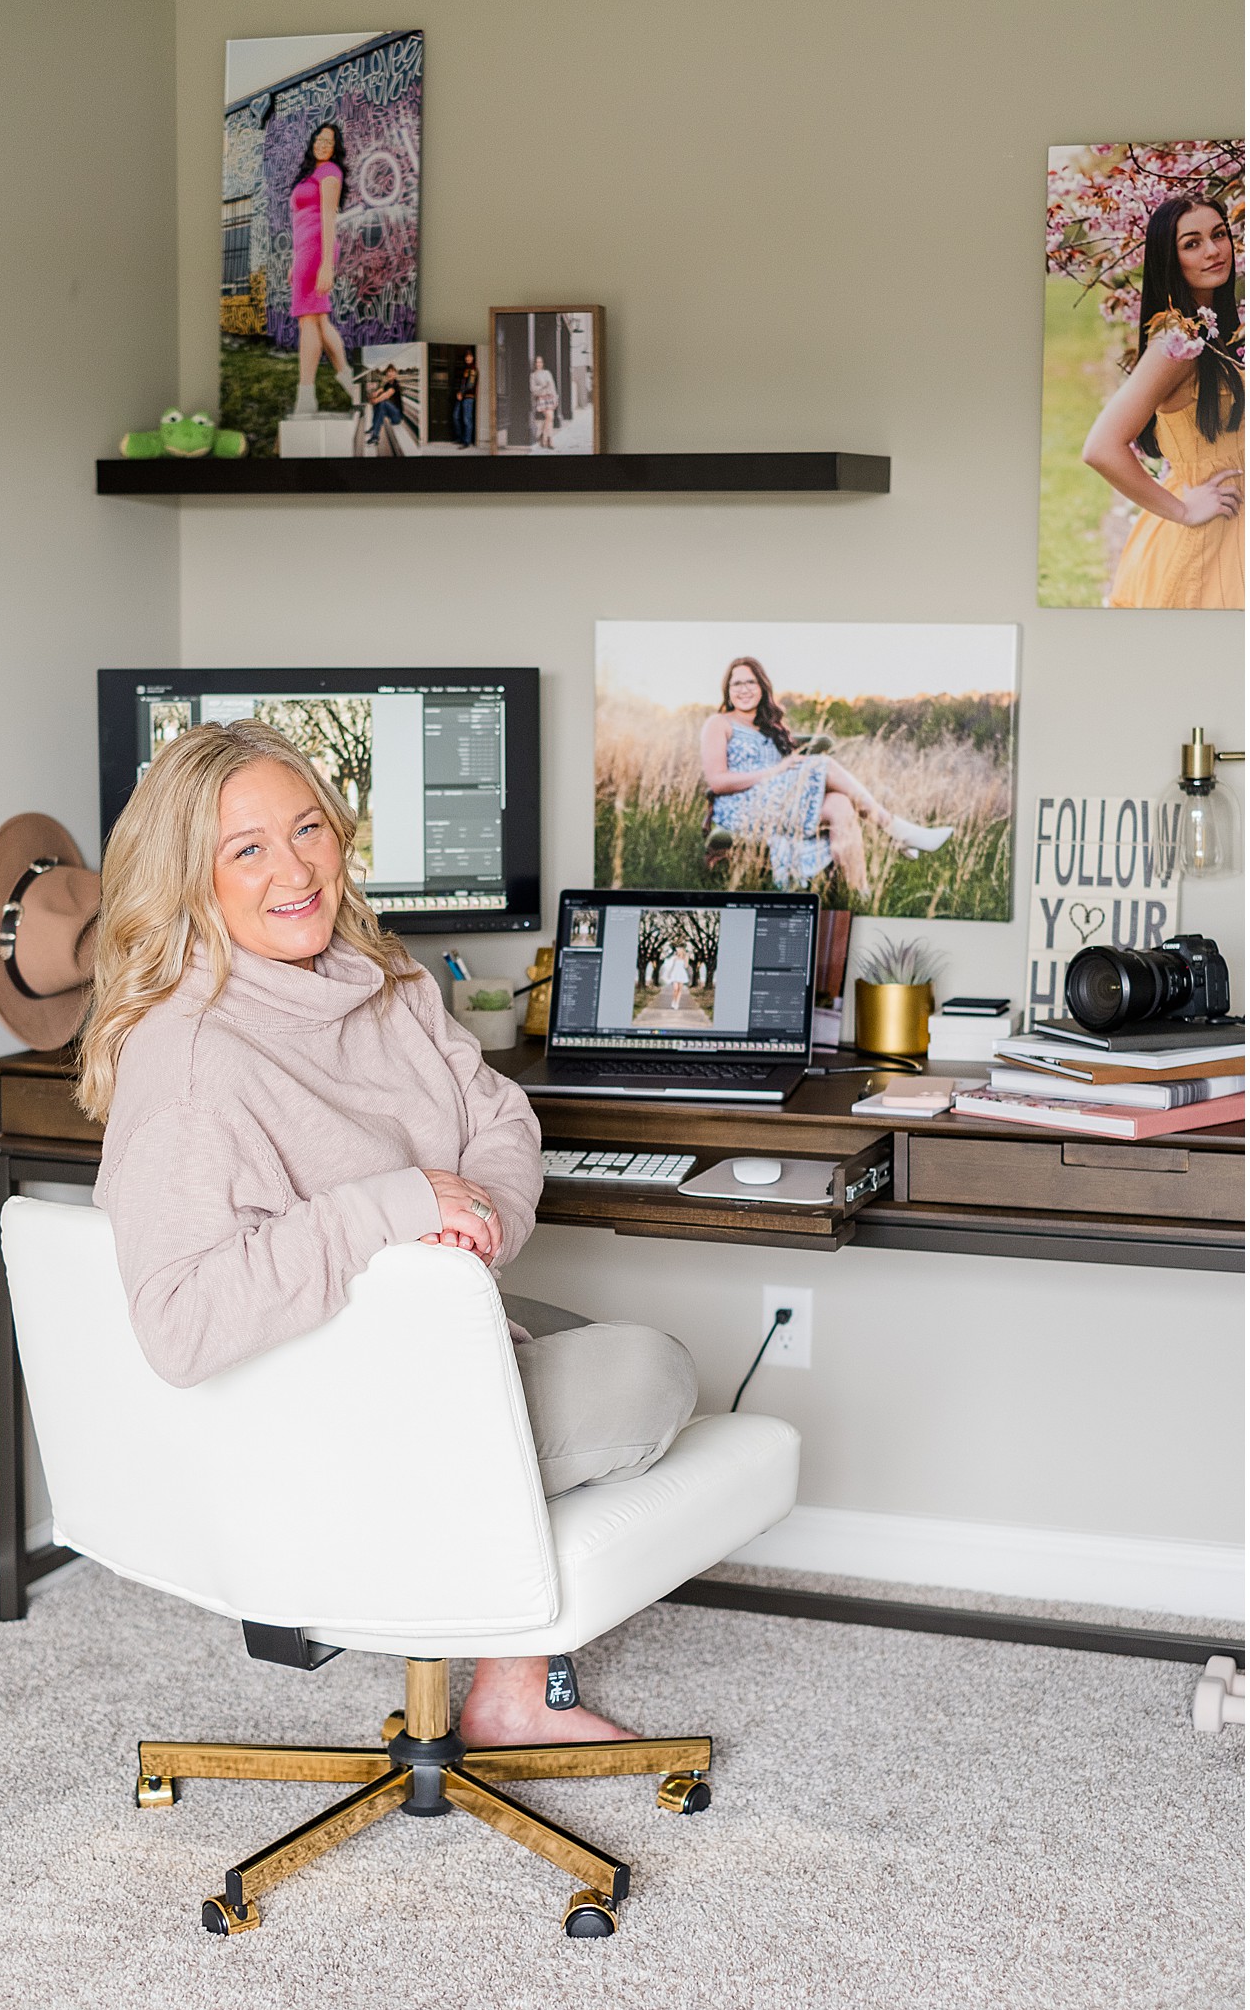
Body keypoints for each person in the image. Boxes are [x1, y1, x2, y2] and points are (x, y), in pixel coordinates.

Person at [75, 719, 697, 1747]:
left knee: (573, 1330)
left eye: (307, 826)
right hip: (322, 1408)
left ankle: (505, 1687)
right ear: (189, 880)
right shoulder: (191, 1058)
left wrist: (477, 1223)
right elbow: (180, 1323)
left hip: (405, 1341)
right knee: (649, 1371)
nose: (296, 868)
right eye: (248, 849)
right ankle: (505, 1682)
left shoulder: (381, 976)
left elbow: (497, 1116)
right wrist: (404, 1206)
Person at [1082, 194, 1244, 610]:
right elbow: (1101, 447)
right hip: (1206, 540)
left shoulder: (1218, 334)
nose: (1212, 251)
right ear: (1170, 261)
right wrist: (1182, 510)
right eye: (1192, 243)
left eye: (1219, 235)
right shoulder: (1178, 344)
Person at [700, 658, 953, 895]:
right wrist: (774, 771)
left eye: (750, 682)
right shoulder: (719, 723)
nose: (743, 689)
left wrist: (788, 762)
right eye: (737, 683)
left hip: (776, 801)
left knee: (841, 805)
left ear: (762, 687)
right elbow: (718, 782)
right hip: (742, 807)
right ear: (728, 690)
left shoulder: (769, 726)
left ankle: (857, 893)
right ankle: (895, 829)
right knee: (825, 765)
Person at [288, 121, 361, 419]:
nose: (321, 143)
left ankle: (306, 396)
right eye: (319, 137)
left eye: (328, 141)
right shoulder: (312, 173)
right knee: (318, 321)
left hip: (318, 248)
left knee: (309, 321)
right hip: (305, 250)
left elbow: (329, 219)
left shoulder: (330, 173)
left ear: (335, 148)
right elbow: (300, 221)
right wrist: (295, 259)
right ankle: (352, 384)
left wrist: (326, 266)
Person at [364, 364, 405, 452]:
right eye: (388, 371)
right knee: (379, 404)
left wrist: (376, 400)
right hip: (390, 412)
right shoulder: (387, 384)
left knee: (381, 402)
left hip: (396, 417)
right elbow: (380, 390)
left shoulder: (395, 385)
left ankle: (375, 436)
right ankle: (374, 427)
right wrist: (373, 395)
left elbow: (387, 395)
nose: (389, 373)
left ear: (395, 373)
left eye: (392, 371)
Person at [529, 353, 559, 449]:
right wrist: (543, 386)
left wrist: (555, 398)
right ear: (535, 364)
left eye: (540, 362)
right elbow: (533, 389)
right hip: (541, 399)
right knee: (549, 417)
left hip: (550, 397)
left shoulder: (547, 373)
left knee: (550, 418)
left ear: (543, 363)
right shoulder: (533, 375)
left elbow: (552, 386)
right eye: (537, 362)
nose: (539, 364)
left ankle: (544, 435)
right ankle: (549, 440)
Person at [452, 348, 478, 448]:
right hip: (462, 396)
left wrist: (461, 393)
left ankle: (466, 442)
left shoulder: (473, 369)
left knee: (467, 420)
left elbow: (470, 385)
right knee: (455, 416)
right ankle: (460, 438)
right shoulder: (466, 369)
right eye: (466, 356)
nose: (468, 358)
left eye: (469, 356)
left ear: (473, 358)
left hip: (468, 397)